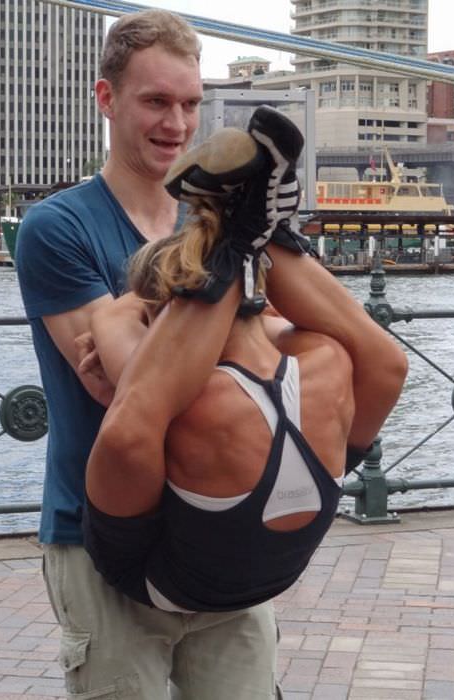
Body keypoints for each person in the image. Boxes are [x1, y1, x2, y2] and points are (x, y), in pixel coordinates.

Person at [16, 9, 283, 699]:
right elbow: (128, 393)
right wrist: (225, 326)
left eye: (190, 104)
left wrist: (147, 331)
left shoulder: (222, 223)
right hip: (98, 534)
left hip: (224, 524)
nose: (177, 123)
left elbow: (268, 360)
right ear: (106, 99)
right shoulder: (57, 227)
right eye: (156, 102)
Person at [81, 125, 409, 615]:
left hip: (161, 580)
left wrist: (163, 297)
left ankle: (240, 240)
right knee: (384, 362)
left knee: (135, 410)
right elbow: (387, 363)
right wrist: (233, 253)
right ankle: (260, 236)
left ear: (164, 313)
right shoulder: (326, 359)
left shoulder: (195, 410)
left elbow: (120, 340)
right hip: (280, 563)